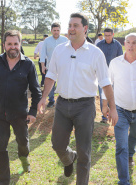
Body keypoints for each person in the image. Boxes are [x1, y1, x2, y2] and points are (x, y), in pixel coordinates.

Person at [37, 13, 118, 185]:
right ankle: (69, 158)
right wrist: (44, 98)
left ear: (85, 29)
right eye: (70, 25)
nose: (71, 29)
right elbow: (51, 75)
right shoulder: (60, 50)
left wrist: (112, 107)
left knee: (84, 152)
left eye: (75, 25)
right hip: (62, 104)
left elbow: (105, 82)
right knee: (57, 145)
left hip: (85, 107)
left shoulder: (95, 53)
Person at [0, 30, 42, 185]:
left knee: (23, 143)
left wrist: (32, 112)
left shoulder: (28, 64)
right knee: (0, 148)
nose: (13, 47)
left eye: (15, 44)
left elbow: (36, 92)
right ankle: (4, 180)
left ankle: (24, 159)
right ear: (4, 44)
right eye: (9, 44)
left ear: (20, 44)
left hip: (20, 114)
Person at [102, 33, 136, 185]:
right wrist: (105, 104)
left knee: (134, 137)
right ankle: (123, 180)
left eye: (134, 42)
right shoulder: (115, 63)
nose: (130, 45)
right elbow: (107, 84)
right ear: (124, 44)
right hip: (120, 110)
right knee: (121, 146)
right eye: (128, 42)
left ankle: (131, 154)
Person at [97, 28, 123, 123]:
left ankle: (114, 113)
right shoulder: (99, 45)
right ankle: (104, 116)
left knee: (113, 95)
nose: (107, 37)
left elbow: (121, 60)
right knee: (102, 94)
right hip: (102, 74)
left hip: (114, 74)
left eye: (109, 35)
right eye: (105, 35)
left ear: (113, 35)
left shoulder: (117, 45)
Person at [40, 22, 68, 108]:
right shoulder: (47, 41)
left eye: (58, 30)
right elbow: (43, 54)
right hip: (50, 67)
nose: (56, 32)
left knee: (63, 84)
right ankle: (51, 101)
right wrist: (42, 66)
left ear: (60, 30)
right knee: (50, 85)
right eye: (54, 30)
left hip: (63, 67)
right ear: (51, 30)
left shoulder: (65, 40)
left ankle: (63, 101)